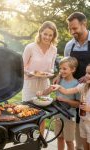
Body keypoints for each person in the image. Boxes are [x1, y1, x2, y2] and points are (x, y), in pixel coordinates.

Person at [54, 12, 90, 150]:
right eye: (70, 29)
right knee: (79, 125)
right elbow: (66, 64)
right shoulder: (70, 46)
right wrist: (59, 74)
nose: (72, 32)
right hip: (76, 89)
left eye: (74, 28)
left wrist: (87, 78)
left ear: (84, 24)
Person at [22, 21, 58, 134]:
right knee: (28, 114)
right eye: (45, 34)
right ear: (40, 33)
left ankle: (40, 142)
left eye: (50, 35)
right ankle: (28, 141)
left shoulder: (54, 49)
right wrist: (30, 73)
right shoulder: (30, 47)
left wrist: (49, 73)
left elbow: (51, 68)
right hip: (30, 85)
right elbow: (20, 67)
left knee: (41, 116)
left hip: (44, 86)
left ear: (53, 36)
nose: (47, 37)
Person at [37, 56, 80, 150]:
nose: (61, 71)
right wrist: (42, 93)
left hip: (69, 118)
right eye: (60, 68)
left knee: (69, 141)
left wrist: (66, 100)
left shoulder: (76, 84)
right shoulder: (59, 80)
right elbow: (48, 91)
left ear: (73, 69)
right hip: (57, 115)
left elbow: (78, 104)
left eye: (65, 69)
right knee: (59, 138)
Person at [51, 64, 90, 150]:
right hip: (83, 121)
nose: (86, 76)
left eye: (89, 73)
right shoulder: (83, 86)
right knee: (85, 147)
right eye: (86, 73)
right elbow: (67, 91)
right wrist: (59, 87)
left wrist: (88, 108)